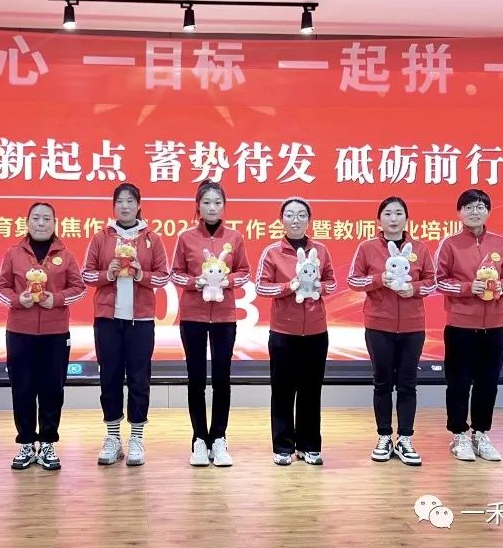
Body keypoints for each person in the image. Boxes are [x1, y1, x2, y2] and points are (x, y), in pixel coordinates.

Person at [82, 183, 170, 466]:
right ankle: (112, 438)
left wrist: (142, 274)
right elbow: (86, 275)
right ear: (114, 206)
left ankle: (136, 438)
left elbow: (163, 277)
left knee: (139, 379)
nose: (125, 206)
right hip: (108, 320)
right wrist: (107, 274)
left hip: (140, 321)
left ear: (139, 205)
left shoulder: (152, 239)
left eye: (130, 201)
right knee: (109, 378)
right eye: (120, 201)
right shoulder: (101, 237)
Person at [0, 202, 86, 471]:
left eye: (47, 219)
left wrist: (55, 299)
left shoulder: (65, 255)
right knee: (22, 388)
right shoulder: (14, 253)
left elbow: (79, 288)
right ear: (27, 223)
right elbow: (2, 288)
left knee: (52, 389)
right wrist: (18, 300)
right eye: (36, 218)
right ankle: (26, 442)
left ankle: (47, 442)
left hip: (55, 333)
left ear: (54, 224)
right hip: (19, 332)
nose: (41, 223)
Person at [347, 196, 435, 466]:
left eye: (398, 213)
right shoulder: (367, 248)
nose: (393, 219)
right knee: (382, 383)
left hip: (412, 326)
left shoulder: (419, 248)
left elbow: (432, 282)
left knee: (408, 384)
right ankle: (384, 436)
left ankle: (405, 438)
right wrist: (379, 280)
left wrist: (414, 289)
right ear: (379, 220)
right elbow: (353, 281)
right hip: (378, 326)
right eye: (387, 213)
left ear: (406, 219)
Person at [170, 181, 251, 467]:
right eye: (206, 202)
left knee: (221, 379)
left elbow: (244, 271)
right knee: (196, 380)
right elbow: (175, 273)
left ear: (224, 206)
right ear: (198, 206)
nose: (212, 207)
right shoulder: (186, 237)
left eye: (217, 202)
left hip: (225, 317)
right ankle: (199, 440)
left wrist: (226, 280)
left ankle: (219, 437)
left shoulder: (235, 237)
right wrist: (197, 282)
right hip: (193, 316)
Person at [435, 189, 503, 462]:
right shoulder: (450, 244)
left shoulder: (500, 243)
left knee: (489, 382)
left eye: (481, 207)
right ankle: (459, 434)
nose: (475, 212)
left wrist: (501, 287)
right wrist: (469, 287)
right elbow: (439, 281)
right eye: (469, 207)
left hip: (496, 324)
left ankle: (481, 433)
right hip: (461, 324)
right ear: (459, 212)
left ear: (488, 212)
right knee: (459, 382)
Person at [255, 197, 336, 466]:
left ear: (309, 220)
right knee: (282, 391)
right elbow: (261, 286)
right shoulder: (272, 252)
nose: (296, 220)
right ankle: (283, 446)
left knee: (311, 391)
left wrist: (319, 286)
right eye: (290, 215)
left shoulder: (321, 250)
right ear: (282, 220)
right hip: (283, 332)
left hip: (316, 331)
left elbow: (332, 282)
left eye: (301, 215)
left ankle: (309, 445)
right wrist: (288, 286)